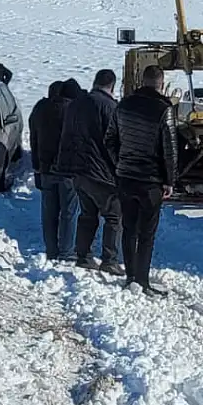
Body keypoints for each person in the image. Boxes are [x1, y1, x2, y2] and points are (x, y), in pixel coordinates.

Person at [104, 65, 178, 296]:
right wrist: (170, 180)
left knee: (128, 228)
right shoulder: (164, 109)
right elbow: (170, 149)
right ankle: (142, 280)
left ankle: (130, 276)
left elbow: (109, 139)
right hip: (151, 180)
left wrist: (120, 162)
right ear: (161, 83)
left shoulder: (123, 105)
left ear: (141, 80)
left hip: (125, 176)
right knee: (147, 233)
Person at [55, 69, 123, 275]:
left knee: (87, 214)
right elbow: (115, 142)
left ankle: (84, 255)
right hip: (101, 171)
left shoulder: (75, 104)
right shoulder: (110, 107)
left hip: (77, 169)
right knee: (114, 215)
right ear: (112, 85)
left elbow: (66, 134)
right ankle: (109, 260)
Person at [29, 81, 78, 262]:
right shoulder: (73, 112)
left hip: (45, 168)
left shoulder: (40, 110)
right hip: (67, 171)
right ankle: (66, 251)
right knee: (68, 212)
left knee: (49, 212)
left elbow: (33, 140)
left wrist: (36, 167)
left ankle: (51, 250)